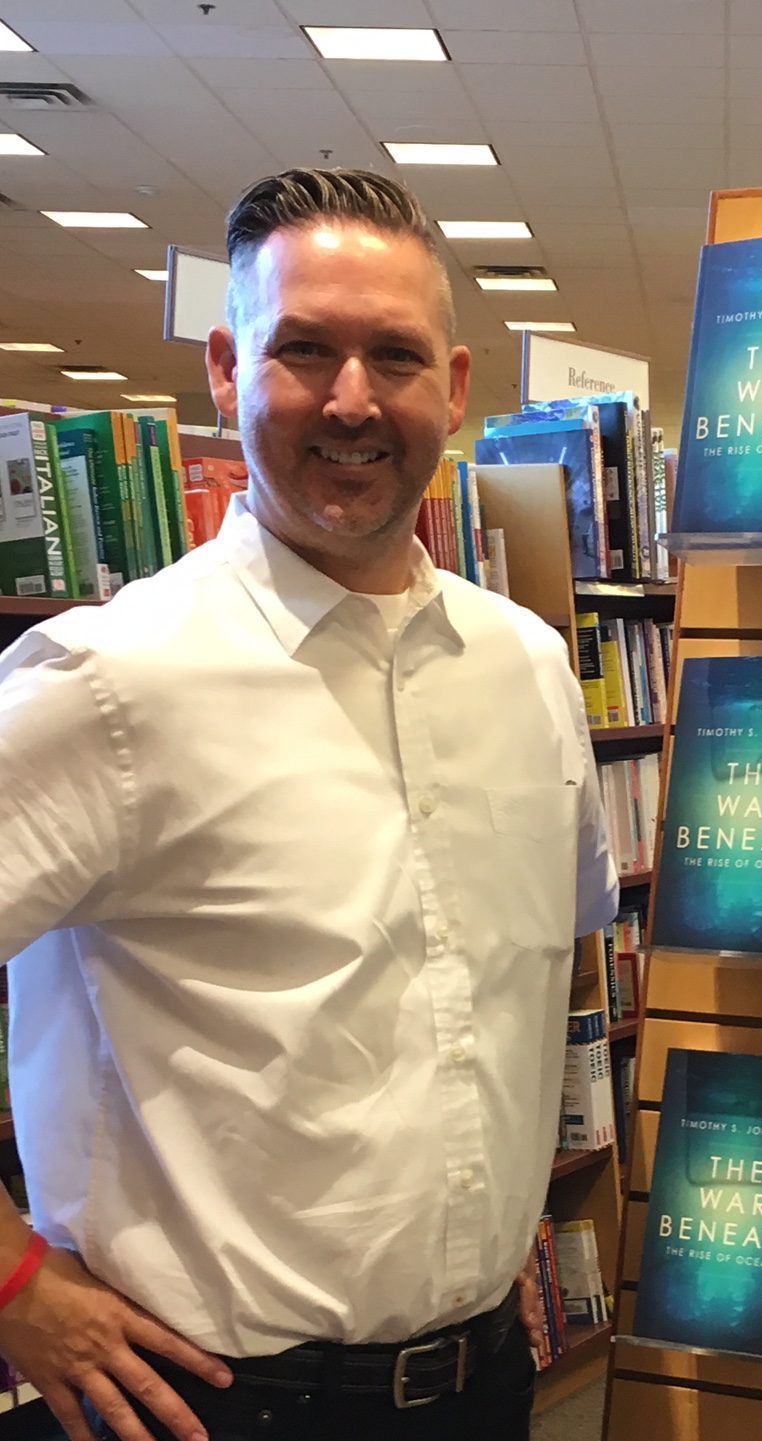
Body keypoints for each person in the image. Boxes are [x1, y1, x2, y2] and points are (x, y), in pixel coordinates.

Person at [0, 168, 618, 1441]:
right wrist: (10, 1282)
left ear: (453, 386)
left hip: (481, 1382)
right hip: (209, 1406)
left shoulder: (530, 669)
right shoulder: (112, 682)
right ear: (227, 372)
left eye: (392, 356)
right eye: (305, 351)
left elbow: (529, 971)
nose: (352, 400)